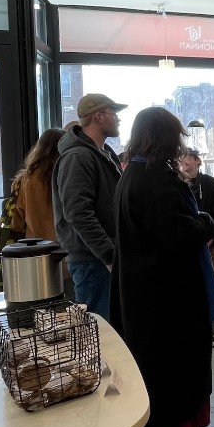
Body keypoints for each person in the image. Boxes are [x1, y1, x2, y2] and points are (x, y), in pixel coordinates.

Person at [112, 108, 214, 427]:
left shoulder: (135, 174)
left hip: (149, 295)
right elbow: (181, 235)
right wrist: (204, 222)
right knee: (172, 373)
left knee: (161, 372)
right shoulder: (155, 182)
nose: (180, 144)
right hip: (167, 300)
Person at [53, 94, 125, 320]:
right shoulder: (78, 157)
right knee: (100, 332)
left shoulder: (103, 154)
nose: (119, 120)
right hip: (93, 262)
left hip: (102, 258)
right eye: (115, 114)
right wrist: (109, 255)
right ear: (99, 116)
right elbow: (78, 213)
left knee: (111, 329)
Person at [178, 147, 214, 344]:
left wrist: (210, 237)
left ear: (196, 160)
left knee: (208, 282)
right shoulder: (177, 184)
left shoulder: (211, 184)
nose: (183, 161)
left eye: (187, 157)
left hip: (209, 243)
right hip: (190, 244)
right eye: (181, 157)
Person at [10, 127, 65, 242]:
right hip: (65, 245)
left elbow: (17, 219)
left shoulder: (25, 179)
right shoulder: (66, 175)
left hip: (35, 247)